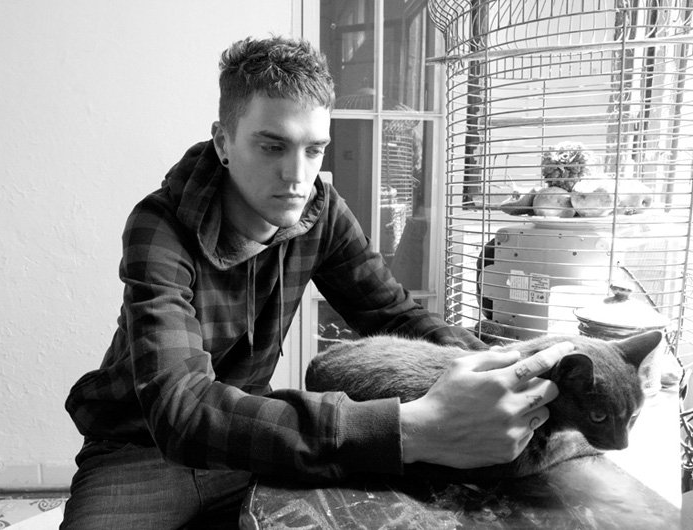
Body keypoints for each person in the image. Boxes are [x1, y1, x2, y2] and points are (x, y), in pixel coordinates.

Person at [60, 35, 573, 529]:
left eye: (314, 150)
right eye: (272, 146)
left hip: (251, 440)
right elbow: (182, 409)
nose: (296, 176)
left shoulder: (321, 213)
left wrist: (506, 370)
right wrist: (409, 429)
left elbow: (393, 314)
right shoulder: (159, 226)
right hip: (138, 448)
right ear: (223, 142)